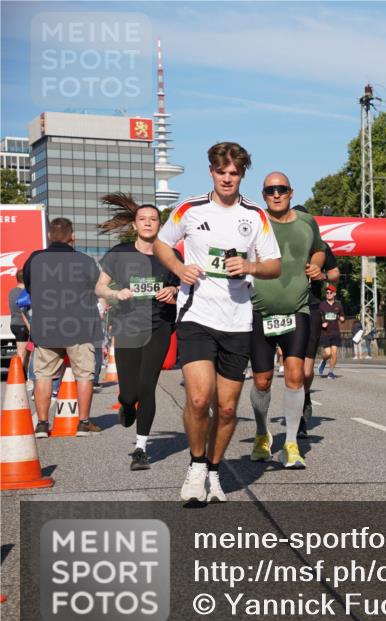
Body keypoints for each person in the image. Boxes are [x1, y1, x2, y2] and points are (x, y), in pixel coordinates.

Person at [153, 142, 281, 503]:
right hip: (196, 316)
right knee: (198, 398)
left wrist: (251, 266)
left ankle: (213, 469)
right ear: (211, 171)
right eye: (221, 172)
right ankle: (195, 467)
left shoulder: (255, 215)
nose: (227, 178)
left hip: (238, 321)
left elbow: (275, 264)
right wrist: (179, 268)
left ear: (242, 175)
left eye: (234, 173)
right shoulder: (190, 209)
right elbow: (162, 244)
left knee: (226, 409)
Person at [95, 194, 181, 471]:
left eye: (153, 219)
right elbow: (99, 287)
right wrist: (115, 293)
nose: (148, 223)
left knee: (147, 386)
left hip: (160, 326)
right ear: (134, 225)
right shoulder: (120, 253)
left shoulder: (170, 254)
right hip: (128, 326)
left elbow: (187, 285)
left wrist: (175, 290)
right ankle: (126, 404)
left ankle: (141, 449)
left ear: (160, 225)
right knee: (130, 392)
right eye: (142, 219)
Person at [247, 172, 326, 469]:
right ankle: (261, 433)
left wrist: (315, 266)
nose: (276, 194)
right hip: (259, 311)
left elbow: (319, 250)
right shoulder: (254, 222)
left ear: (291, 192)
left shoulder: (307, 222)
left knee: (295, 375)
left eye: (281, 189)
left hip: (297, 310)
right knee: (262, 381)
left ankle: (291, 444)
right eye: (270, 190)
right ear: (264, 194)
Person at [23, 217, 103, 437]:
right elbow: (96, 289)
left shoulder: (35, 259)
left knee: (43, 375)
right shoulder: (85, 261)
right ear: (72, 236)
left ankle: (41, 424)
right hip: (79, 327)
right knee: (84, 375)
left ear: (50, 236)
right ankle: (83, 423)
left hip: (45, 327)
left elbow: (29, 287)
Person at [302, 230, 340, 429]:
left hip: (311, 308)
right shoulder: (280, 242)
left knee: (306, 371)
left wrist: (322, 275)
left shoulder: (321, 246)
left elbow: (335, 274)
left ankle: (304, 397)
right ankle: (295, 419)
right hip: (285, 310)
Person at [317, 284, 345, 378]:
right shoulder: (321, 305)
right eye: (327, 293)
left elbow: (342, 317)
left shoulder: (338, 305)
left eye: (330, 293)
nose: (328, 294)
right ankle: (324, 361)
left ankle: (331, 372)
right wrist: (321, 324)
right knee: (328, 353)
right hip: (325, 333)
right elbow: (317, 318)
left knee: (334, 353)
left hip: (335, 332)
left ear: (334, 294)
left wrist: (341, 318)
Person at [8, 270, 31, 368]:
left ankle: (26, 378)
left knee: (28, 352)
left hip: (14, 324)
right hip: (23, 325)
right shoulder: (25, 293)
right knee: (22, 353)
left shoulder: (12, 291)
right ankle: (18, 377)